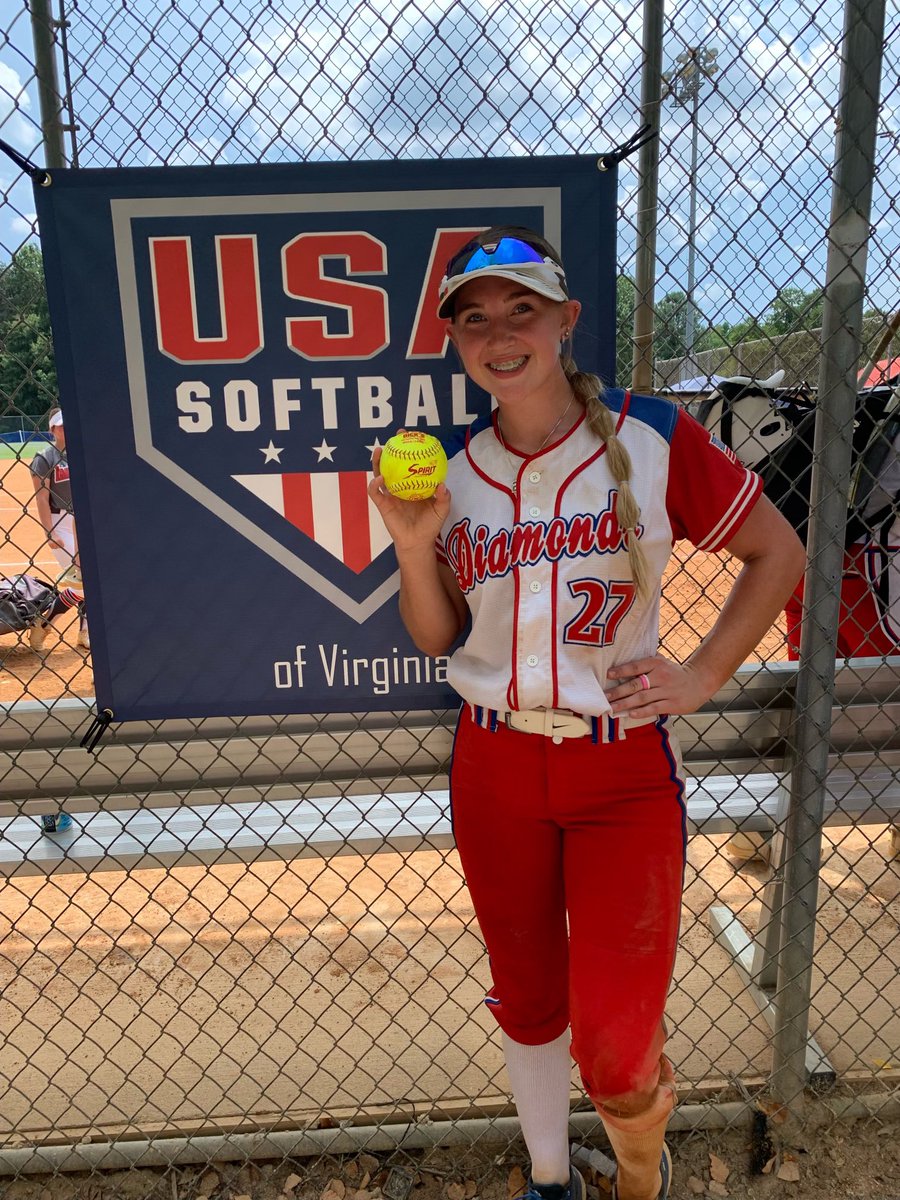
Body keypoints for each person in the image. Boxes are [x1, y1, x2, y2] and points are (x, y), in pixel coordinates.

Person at [368, 227, 806, 1200]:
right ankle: (551, 1177)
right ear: (455, 343)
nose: (498, 333)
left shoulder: (652, 437)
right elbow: (439, 637)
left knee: (614, 1044)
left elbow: (779, 555)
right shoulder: (452, 467)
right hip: (494, 768)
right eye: (473, 319)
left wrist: (698, 676)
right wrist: (410, 546)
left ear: (566, 321)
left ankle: (639, 1177)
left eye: (522, 308)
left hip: (620, 773)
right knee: (528, 1001)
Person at [29, 407, 88, 649]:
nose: (66, 428)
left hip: (83, 519)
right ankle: (45, 621)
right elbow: (41, 497)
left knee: (88, 580)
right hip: (60, 521)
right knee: (83, 580)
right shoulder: (44, 458)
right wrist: (49, 531)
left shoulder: (81, 453)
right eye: (60, 425)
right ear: (51, 429)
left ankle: (84, 631)